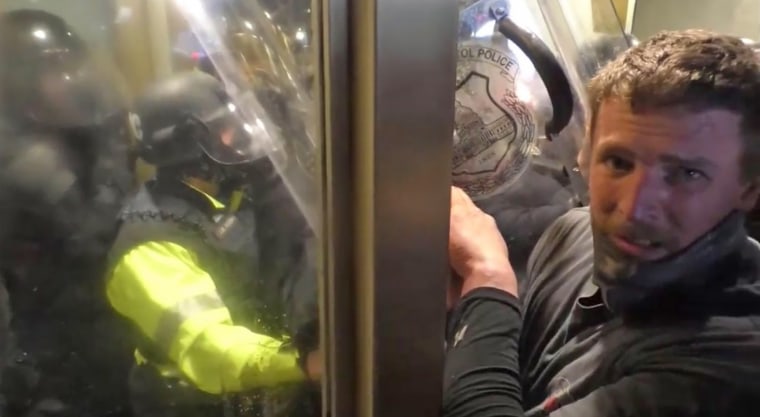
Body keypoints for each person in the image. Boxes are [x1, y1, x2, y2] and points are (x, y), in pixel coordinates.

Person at [442, 29, 760, 416]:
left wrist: (487, 275)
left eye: (687, 174)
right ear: (586, 151)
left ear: (750, 189)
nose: (633, 208)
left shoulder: (734, 363)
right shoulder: (571, 235)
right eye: (618, 162)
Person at [105, 71, 319, 417]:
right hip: (193, 405)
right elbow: (211, 348)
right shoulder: (148, 246)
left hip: (256, 390)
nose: (239, 139)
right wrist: (306, 363)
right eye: (227, 131)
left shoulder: (231, 194)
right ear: (190, 150)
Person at [0, 9, 135, 417]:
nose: (72, 79)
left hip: (116, 356)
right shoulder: (16, 172)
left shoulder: (96, 145)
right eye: (52, 68)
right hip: (49, 376)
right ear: (18, 83)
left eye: (70, 62)